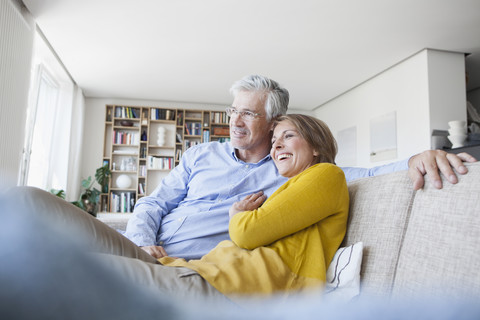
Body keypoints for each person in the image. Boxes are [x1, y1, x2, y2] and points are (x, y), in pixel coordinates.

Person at [125, 74, 477, 261]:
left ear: (273, 120)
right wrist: (141, 243)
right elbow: (151, 204)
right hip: (140, 247)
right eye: (233, 110)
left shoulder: (294, 172)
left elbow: (364, 176)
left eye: (248, 113)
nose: (235, 121)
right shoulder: (199, 155)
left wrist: (417, 159)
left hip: (182, 266)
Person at [157, 114, 348, 301]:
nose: (276, 146)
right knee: (128, 253)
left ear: (316, 146)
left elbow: (246, 233)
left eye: (288, 136)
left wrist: (236, 214)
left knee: (129, 273)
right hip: (212, 272)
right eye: (274, 141)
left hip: (239, 284)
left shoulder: (327, 174)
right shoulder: (293, 187)